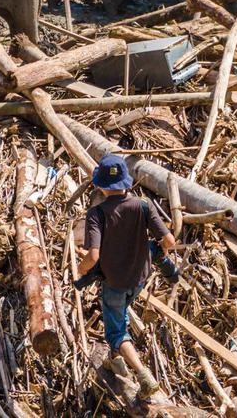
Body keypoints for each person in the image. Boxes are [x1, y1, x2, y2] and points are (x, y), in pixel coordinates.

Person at [77, 154, 177, 400]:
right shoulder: (143, 205)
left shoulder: (96, 214)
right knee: (120, 314)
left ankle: (143, 375)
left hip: (115, 284)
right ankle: (115, 360)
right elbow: (169, 241)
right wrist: (160, 251)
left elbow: (93, 255)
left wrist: (81, 269)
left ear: (100, 185)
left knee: (116, 333)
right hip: (139, 278)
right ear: (126, 182)